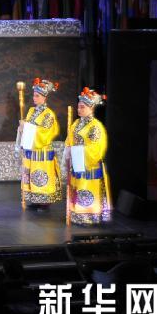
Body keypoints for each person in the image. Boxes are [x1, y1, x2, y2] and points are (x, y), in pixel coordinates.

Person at [65, 87, 110, 225]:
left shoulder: (95, 127)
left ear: (91, 108)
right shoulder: (76, 124)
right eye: (78, 107)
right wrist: (68, 149)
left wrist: (78, 151)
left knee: (87, 189)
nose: (79, 110)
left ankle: (89, 216)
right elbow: (69, 140)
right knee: (77, 189)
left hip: (89, 165)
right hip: (76, 162)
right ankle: (76, 214)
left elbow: (96, 148)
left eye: (82, 107)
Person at [18, 78, 62, 210]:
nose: (34, 98)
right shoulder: (31, 111)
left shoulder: (49, 114)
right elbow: (28, 127)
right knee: (31, 175)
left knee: (41, 175)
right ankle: (35, 199)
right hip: (31, 150)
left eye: (37, 96)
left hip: (41, 150)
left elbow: (45, 133)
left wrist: (26, 126)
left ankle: (44, 202)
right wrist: (22, 127)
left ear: (44, 97)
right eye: (34, 95)